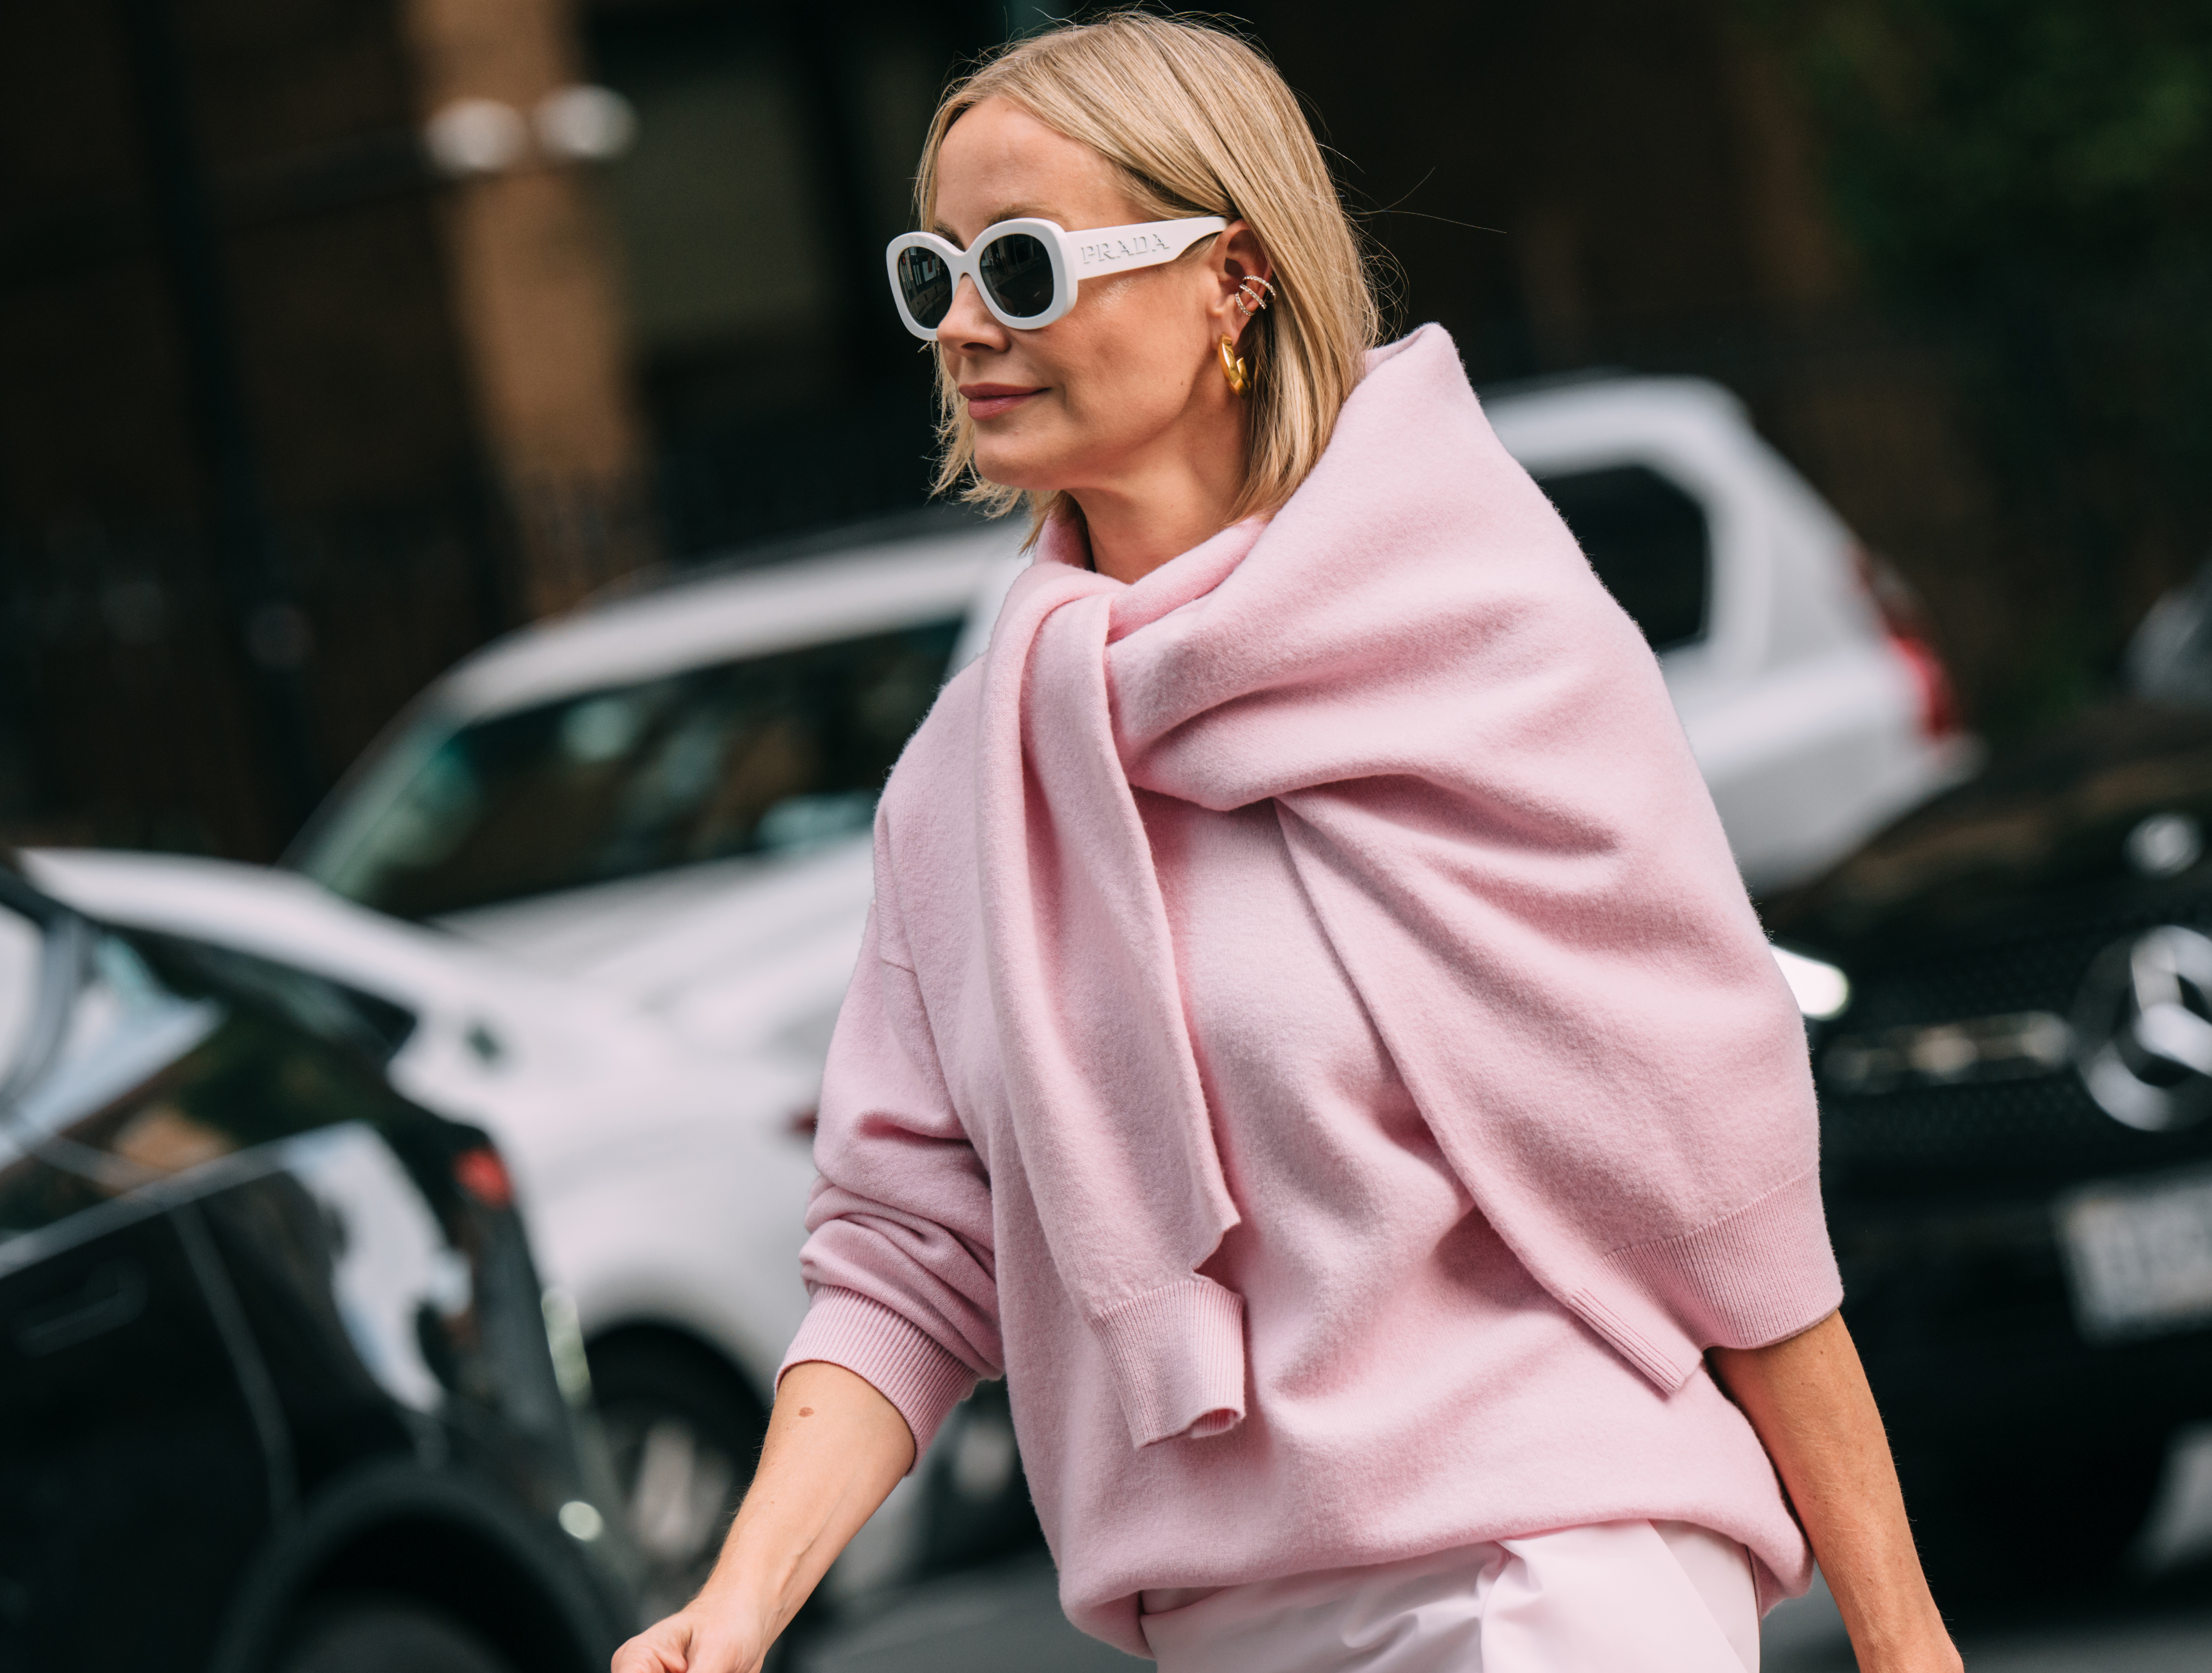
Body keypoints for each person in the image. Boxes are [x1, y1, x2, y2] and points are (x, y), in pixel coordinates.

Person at [613, 14, 1958, 1673]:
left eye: (1022, 268)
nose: (965, 325)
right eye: (931, 273)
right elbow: (907, 1246)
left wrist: (1903, 1639)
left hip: (1543, 1572)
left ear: (1229, 281)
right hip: (1220, 1623)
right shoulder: (972, 784)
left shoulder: (1483, 647)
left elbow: (1713, 1176)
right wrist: (738, 1606)